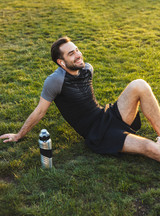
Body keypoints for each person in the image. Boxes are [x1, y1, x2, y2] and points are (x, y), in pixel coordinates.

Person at [1, 36, 160, 162]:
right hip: (98, 135)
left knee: (139, 84)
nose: (78, 55)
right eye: (71, 54)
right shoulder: (55, 81)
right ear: (61, 62)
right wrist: (18, 135)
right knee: (148, 146)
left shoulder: (87, 69)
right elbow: (39, 112)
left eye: (77, 50)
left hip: (105, 116)